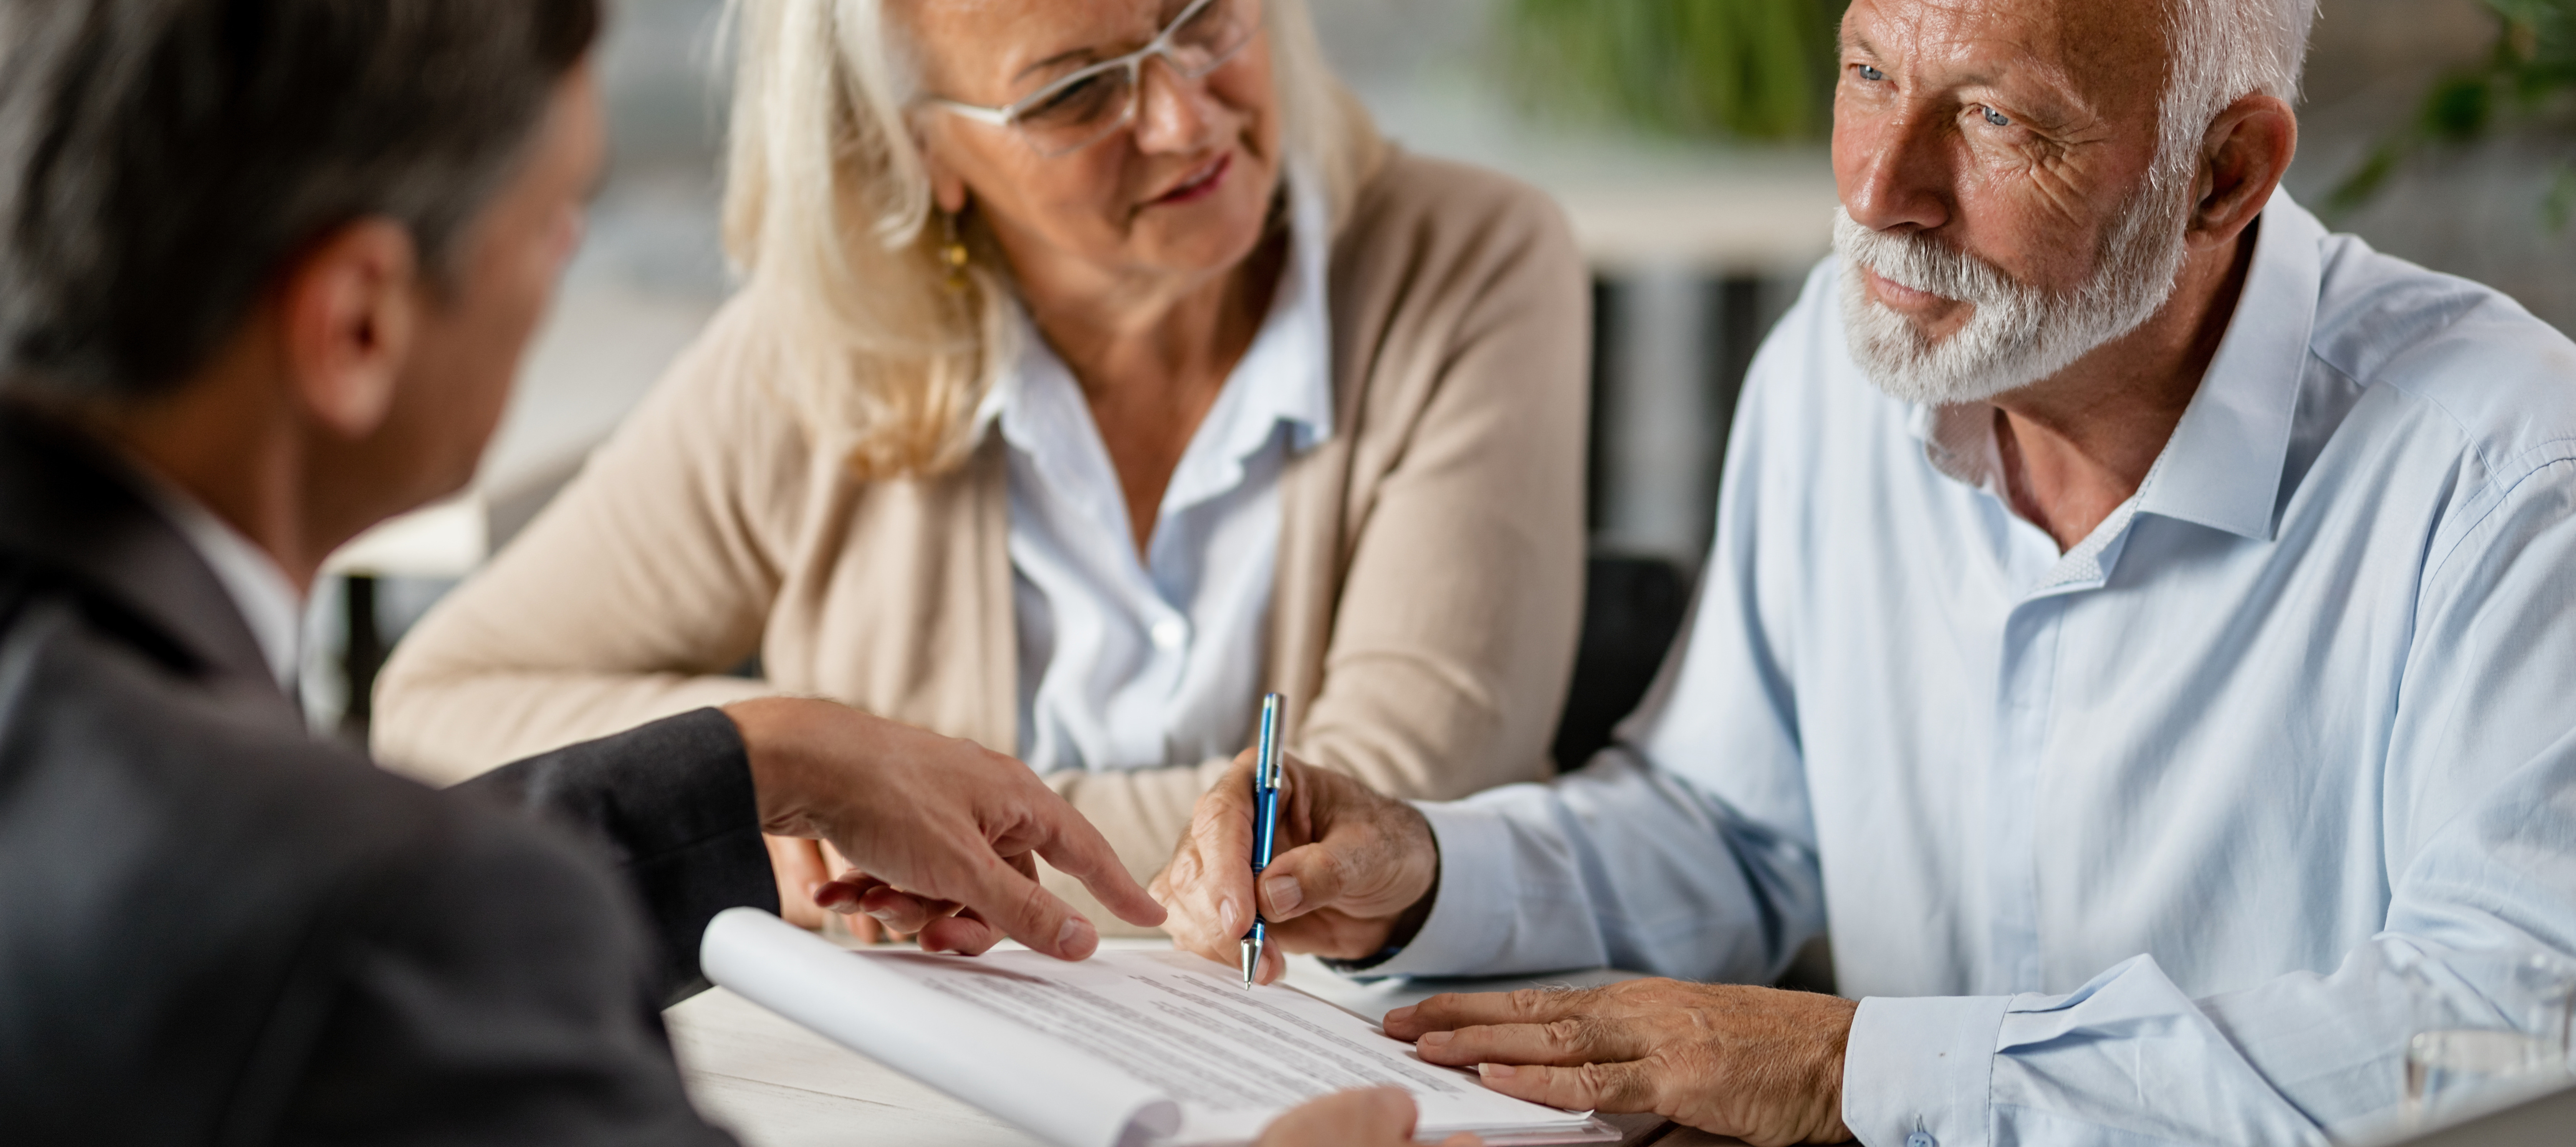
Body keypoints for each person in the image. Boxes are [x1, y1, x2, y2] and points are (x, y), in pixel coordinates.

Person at [0, 3, 1438, 1144]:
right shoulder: (398, 921)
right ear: (359, 324)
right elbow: (361, 925)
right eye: (560, 221)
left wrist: (761, 757)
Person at [1150, 0, 2576, 1143]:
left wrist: (1865, 1073)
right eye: (1867, 71)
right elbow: (1735, 828)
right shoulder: (1838, 378)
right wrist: (1426, 870)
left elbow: (2507, 1023)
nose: (1882, 189)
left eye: (1998, 119)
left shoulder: (2510, 473)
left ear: (2226, 173)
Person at [368, 0, 1589, 935]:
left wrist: (892, 817)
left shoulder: (1473, 262)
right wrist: (778, 762)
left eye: (1204, 17)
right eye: (1074, 95)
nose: (1184, 117)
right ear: (920, 154)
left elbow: (1379, 823)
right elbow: (436, 710)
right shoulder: (819, 353)